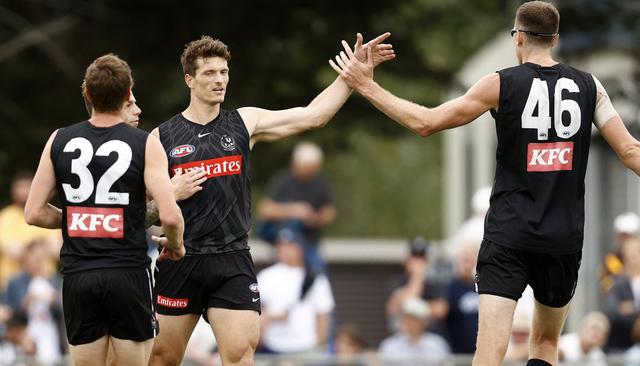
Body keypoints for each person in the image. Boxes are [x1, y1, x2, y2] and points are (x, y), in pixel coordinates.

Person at [329, 1, 640, 365]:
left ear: (518, 38)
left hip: (509, 235)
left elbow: (426, 122)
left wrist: (367, 86)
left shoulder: (500, 83)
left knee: (489, 350)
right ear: (556, 39)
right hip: (561, 237)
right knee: (545, 344)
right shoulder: (590, 87)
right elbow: (632, 151)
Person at [146, 34, 395, 366]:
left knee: (239, 356)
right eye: (209, 73)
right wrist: (167, 199)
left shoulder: (244, 122)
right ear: (189, 79)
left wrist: (350, 75)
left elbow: (313, 115)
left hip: (231, 260)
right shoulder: (161, 138)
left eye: (224, 72)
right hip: (181, 260)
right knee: (162, 357)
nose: (219, 80)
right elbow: (138, 211)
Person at [23, 54, 185, 366]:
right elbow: (170, 216)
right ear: (127, 95)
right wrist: (176, 246)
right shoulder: (144, 143)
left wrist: (78, 219)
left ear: (87, 95)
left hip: (78, 277)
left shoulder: (59, 139)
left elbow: (33, 212)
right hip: (128, 274)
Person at [257, 141, 336, 273]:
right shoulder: (283, 180)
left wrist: (316, 219)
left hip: (310, 243)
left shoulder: (320, 183)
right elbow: (265, 209)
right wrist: (294, 211)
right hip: (284, 245)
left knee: (317, 273)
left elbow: (330, 211)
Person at [257, 228, 335, 354]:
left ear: (300, 249)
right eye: (280, 245)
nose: (284, 250)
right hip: (272, 345)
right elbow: (257, 310)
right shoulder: (266, 276)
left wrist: (320, 343)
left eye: (289, 246)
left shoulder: (314, 277)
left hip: (305, 346)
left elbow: (323, 313)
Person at [0, 171, 61, 289]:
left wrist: (25, 249)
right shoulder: (5, 217)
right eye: (20, 187)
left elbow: (56, 250)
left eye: (28, 186)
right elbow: (10, 251)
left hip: (47, 283)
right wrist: (39, 249)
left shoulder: (47, 214)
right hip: (11, 286)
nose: (23, 191)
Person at [385, 237, 447, 335]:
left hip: (430, 338)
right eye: (415, 257)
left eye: (422, 257)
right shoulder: (397, 281)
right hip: (403, 338)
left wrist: (415, 307)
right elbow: (394, 307)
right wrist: (417, 278)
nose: (418, 262)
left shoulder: (436, 283)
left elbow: (441, 310)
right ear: (407, 260)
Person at [605, 236, 640, 352]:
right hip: (622, 344)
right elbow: (612, 311)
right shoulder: (616, 283)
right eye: (628, 252)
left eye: (636, 251)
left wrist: (632, 308)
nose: (632, 255)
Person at [378, 296, 450, 366]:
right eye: (407, 318)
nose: (410, 322)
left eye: (414, 319)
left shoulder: (437, 344)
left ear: (424, 322)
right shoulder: (389, 345)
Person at [601, 212, 640, 292]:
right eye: (621, 236)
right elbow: (606, 287)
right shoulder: (612, 259)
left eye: (628, 236)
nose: (624, 240)